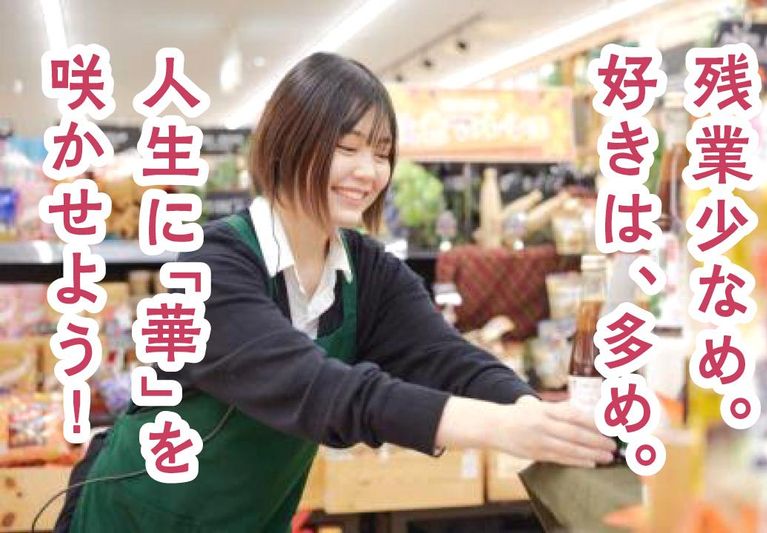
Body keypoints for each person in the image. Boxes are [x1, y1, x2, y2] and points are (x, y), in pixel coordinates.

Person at [56, 52, 614, 532]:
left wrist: (534, 413)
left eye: (381, 152)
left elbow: (447, 358)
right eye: (347, 147)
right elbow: (322, 391)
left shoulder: (367, 271)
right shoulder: (213, 268)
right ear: (288, 144)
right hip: (135, 515)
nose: (368, 172)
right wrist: (504, 428)